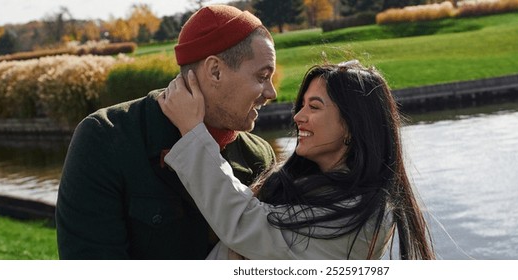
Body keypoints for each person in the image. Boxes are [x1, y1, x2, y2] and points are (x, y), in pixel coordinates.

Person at [55, 5, 278, 259]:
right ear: (215, 71)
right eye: (262, 76)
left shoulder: (259, 156)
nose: (272, 93)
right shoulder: (105, 138)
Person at [158, 60, 435, 259]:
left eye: (314, 106)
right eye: (302, 105)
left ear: (352, 125)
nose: (298, 116)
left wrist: (193, 133)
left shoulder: (361, 217)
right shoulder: (310, 184)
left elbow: (245, 224)